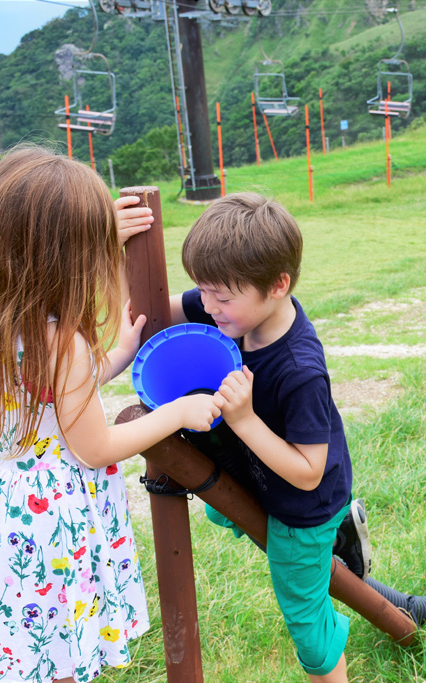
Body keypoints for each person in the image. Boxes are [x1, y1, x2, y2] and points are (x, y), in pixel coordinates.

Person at [0, 146, 222, 683]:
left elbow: (51, 396)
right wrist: (179, 410)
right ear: (63, 257)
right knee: (61, 662)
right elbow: (97, 446)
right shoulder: (64, 343)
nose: (102, 260)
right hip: (54, 523)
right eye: (94, 248)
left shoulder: (7, 318)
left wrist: (117, 355)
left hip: (12, 515)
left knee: (36, 656)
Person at [118, 193, 369, 683]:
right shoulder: (232, 306)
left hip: (303, 505)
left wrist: (246, 420)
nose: (206, 307)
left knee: (305, 616)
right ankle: (337, 543)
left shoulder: (300, 371)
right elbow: (153, 312)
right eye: (202, 291)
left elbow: (308, 469)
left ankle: (332, 546)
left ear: (278, 286)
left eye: (221, 298)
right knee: (221, 507)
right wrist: (116, 253)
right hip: (253, 470)